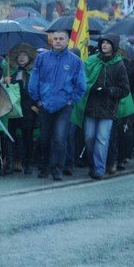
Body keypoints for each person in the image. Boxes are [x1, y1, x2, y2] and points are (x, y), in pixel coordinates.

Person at [28, 30, 86, 181]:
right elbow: (34, 79)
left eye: (61, 39)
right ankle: (44, 166)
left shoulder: (75, 61)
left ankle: (57, 168)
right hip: (45, 104)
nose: (58, 41)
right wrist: (37, 99)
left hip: (64, 106)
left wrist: (71, 100)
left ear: (67, 41)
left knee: (60, 138)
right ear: (51, 41)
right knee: (44, 137)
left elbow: (81, 85)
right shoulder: (41, 58)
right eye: (55, 39)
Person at [73, 34, 131, 180]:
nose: (104, 45)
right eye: (103, 42)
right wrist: (90, 87)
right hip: (91, 107)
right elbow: (82, 81)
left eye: (108, 43)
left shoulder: (119, 64)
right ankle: (92, 164)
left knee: (102, 139)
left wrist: (109, 91)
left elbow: (124, 89)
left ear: (114, 46)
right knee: (89, 137)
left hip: (108, 108)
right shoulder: (92, 61)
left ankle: (99, 168)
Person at [6, 43, 38, 175]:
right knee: (11, 137)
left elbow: (36, 89)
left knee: (27, 138)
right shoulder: (11, 73)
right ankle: (11, 162)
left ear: (29, 57)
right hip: (13, 110)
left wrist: (35, 105)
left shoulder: (33, 73)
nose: (22, 57)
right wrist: (5, 81)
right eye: (20, 55)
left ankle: (28, 163)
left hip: (28, 109)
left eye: (24, 55)